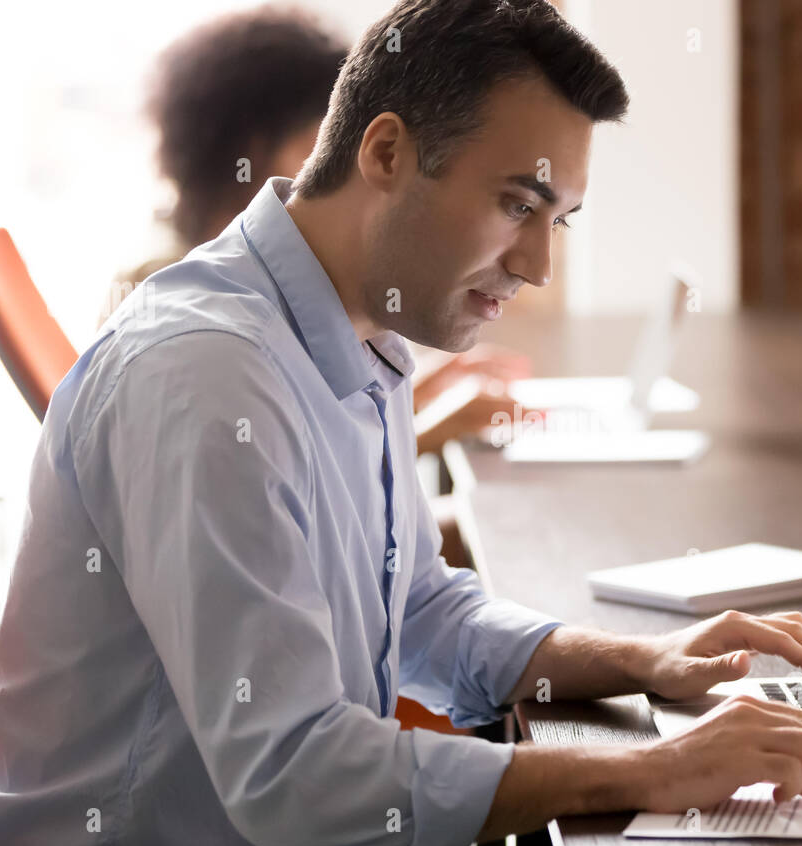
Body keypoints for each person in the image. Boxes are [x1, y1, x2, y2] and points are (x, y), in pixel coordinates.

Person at [0, 0, 802, 846]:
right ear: (385, 153)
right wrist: (648, 771)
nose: (538, 265)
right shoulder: (207, 377)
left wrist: (645, 661)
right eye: (518, 204)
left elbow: (415, 609)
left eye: (558, 219)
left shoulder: (360, 334)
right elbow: (293, 774)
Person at [100, 4, 527, 566]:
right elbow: (253, 461)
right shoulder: (176, 302)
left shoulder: (275, 271)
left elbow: (308, 404)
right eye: (324, 133)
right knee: (496, 534)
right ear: (261, 149)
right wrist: (421, 432)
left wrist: (415, 395)